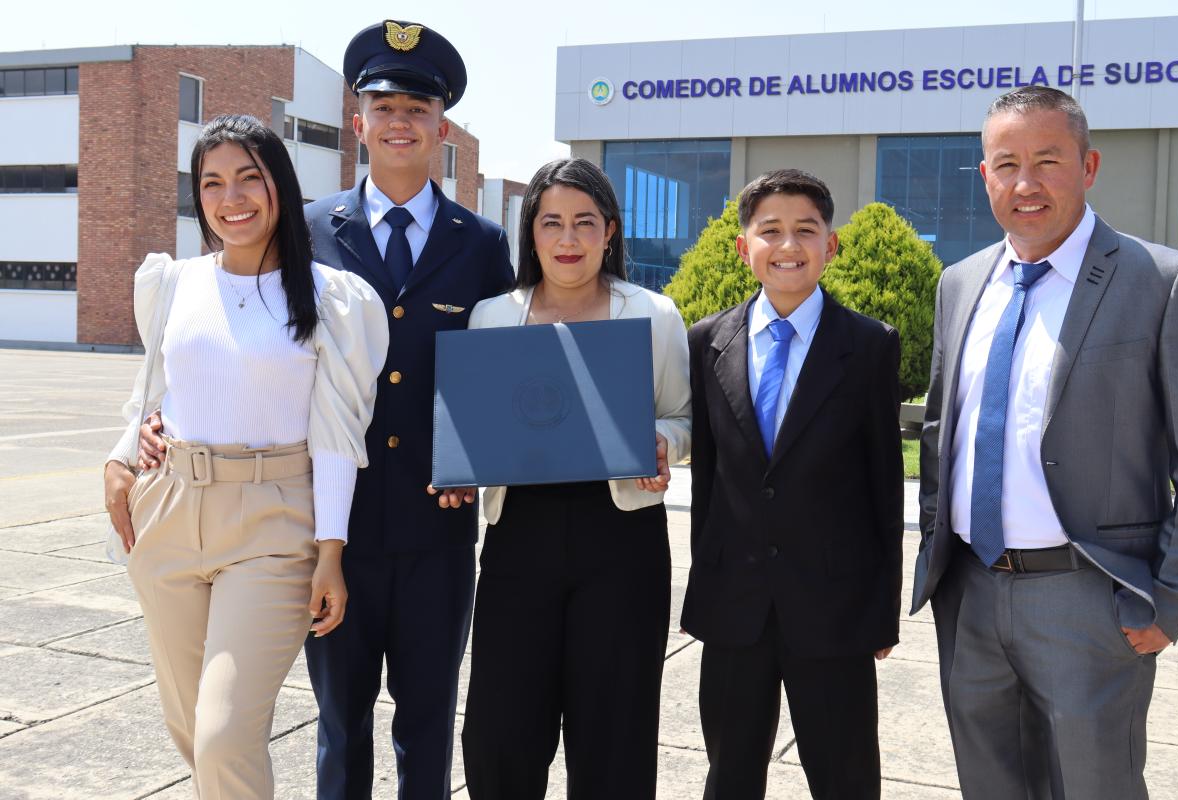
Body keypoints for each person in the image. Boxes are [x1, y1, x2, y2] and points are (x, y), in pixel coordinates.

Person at [138, 21, 513, 799]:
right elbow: (230, 333)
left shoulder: (480, 244)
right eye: (383, 105)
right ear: (358, 122)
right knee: (340, 723)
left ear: (442, 126)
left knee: (428, 721)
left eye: (417, 106)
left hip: (434, 521)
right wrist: (154, 420)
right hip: (317, 522)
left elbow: (499, 367)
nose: (399, 121)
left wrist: (481, 460)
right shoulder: (304, 231)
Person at [912, 85, 1178, 800]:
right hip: (970, 594)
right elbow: (943, 430)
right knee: (989, 786)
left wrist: (1170, 600)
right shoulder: (961, 282)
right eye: (1006, 164)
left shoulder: (1160, 282)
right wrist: (937, 557)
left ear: (1089, 165)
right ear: (984, 175)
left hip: (1089, 600)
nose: (1025, 183)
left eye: (1048, 160)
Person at [103, 114, 388, 798]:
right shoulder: (173, 284)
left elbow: (336, 435)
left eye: (248, 179)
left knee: (225, 733)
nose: (231, 198)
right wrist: (120, 456)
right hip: (168, 515)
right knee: (190, 729)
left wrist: (330, 551)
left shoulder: (330, 298)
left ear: (279, 187)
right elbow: (160, 387)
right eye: (212, 183)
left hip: (272, 524)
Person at [450, 157, 691, 799]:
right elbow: (474, 426)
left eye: (585, 223)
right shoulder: (492, 317)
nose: (568, 240)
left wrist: (663, 442)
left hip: (622, 541)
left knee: (614, 735)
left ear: (609, 231)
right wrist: (458, 467)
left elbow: (680, 416)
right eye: (551, 222)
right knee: (500, 736)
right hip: (516, 542)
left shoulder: (654, 315)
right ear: (530, 232)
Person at [680, 169, 903, 799]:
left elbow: (885, 486)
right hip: (735, 608)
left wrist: (880, 611)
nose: (788, 246)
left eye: (806, 230)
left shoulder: (867, 346)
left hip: (834, 608)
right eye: (769, 230)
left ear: (830, 245)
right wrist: (707, 586)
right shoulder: (707, 342)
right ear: (742, 247)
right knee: (729, 776)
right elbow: (709, 489)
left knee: (846, 778)